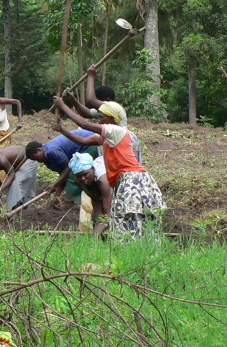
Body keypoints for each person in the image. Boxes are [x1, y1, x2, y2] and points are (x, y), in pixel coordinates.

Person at [53, 97, 166, 240]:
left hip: (132, 179)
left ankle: (136, 252)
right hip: (125, 180)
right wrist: (62, 129)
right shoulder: (107, 136)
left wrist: (63, 106)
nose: (98, 121)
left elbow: (85, 124)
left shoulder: (116, 131)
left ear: (112, 119)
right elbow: (82, 140)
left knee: (127, 220)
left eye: (101, 117)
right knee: (125, 219)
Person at [24, 129, 96, 204]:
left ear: (39, 150)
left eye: (36, 158)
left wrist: (55, 184)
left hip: (89, 141)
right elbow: (63, 174)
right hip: (83, 145)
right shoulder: (48, 160)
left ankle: (71, 204)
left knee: (75, 173)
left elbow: (68, 168)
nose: (38, 161)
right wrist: (57, 194)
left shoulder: (51, 151)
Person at [0, 145, 38, 210]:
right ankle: (19, 206)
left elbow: (12, 175)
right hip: (17, 164)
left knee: (14, 183)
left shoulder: (0, 159)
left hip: (27, 159)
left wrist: (1, 190)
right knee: (9, 184)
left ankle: (16, 209)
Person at [69, 152, 113, 233]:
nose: (82, 178)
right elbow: (95, 199)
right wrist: (97, 223)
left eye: (85, 174)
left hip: (117, 186)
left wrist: (97, 233)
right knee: (97, 222)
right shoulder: (78, 181)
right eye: (79, 176)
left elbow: (109, 213)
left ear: (93, 169)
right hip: (98, 188)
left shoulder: (102, 180)